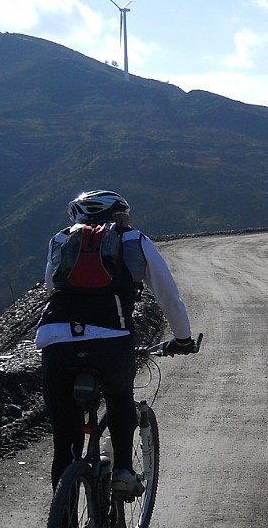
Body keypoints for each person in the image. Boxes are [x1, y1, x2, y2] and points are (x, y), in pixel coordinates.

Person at [35, 189, 196, 497]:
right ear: (118, 215)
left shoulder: (59, 241)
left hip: (55, 338)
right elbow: (169, 297)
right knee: (120, 395)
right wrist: (183, 339)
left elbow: (50, 288)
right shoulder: (134, 240)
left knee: (65, 444)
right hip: (111, 337)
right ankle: (123, 470)